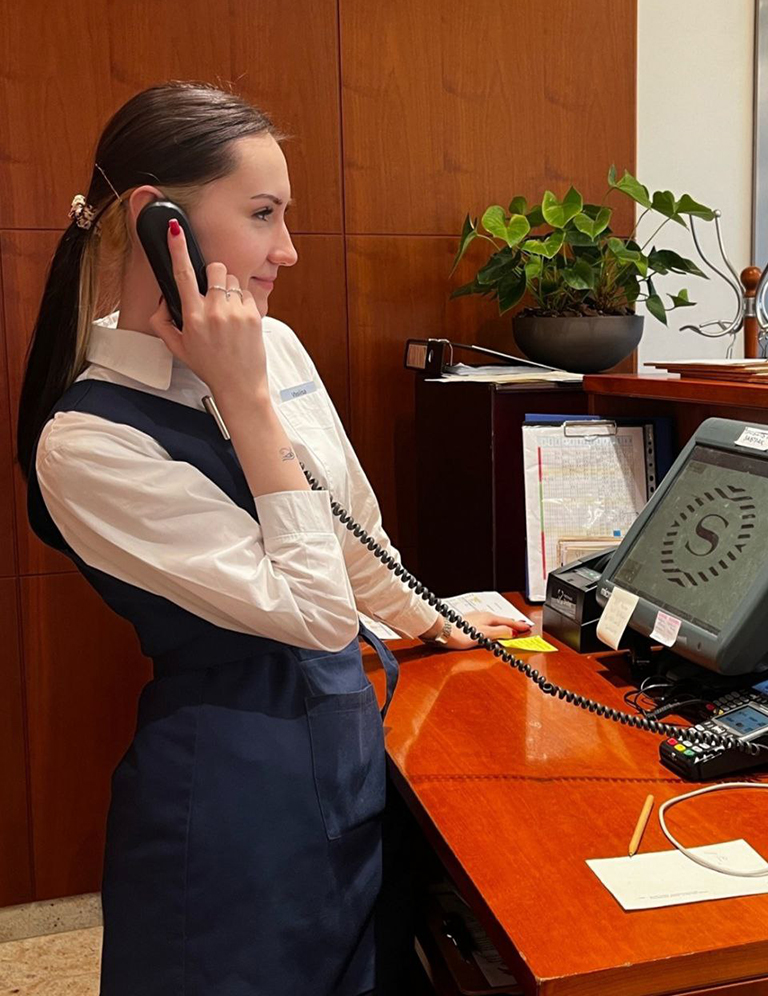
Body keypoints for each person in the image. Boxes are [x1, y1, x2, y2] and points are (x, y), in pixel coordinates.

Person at [16, 81, 529, 996]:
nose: (287, 249)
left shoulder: (277, 345)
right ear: (159, 222)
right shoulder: (88, 443)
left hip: (347, 745)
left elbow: (355, 536)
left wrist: (439, 619)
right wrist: (246, 401)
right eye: (262, 215)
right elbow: (315, 612)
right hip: (232, 801)